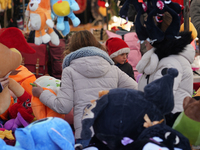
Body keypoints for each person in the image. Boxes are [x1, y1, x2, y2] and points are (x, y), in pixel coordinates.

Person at [32, 30, 138, 148]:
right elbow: (136, 91)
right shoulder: (113, 68)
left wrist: (42, 93)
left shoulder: (69, 70)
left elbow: (63, 106)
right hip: (112, 130)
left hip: (85, 133)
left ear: (72, 47)